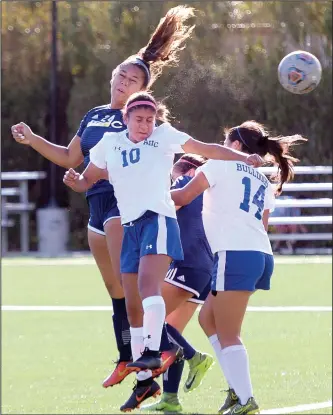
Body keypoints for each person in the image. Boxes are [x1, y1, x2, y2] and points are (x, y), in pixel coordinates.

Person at [10, 5, 197, 388]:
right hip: (95, 205)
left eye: (132, 80)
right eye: (121, 76)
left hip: (122, 205)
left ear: (143, 90)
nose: (124, 82)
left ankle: (162, 358)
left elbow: (166, 149)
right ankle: (134, 357)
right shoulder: (94, 115)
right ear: (112, 78)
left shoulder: (143, 120)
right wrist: (31, 140)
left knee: (132, 289)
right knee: (115, 290)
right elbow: (68, 156)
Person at [62, 93, 264, 411]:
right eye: (139, 119)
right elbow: (87, 179)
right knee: (132, 306)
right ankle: (146, 382)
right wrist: (75, 180)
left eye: (150, 120)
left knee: (147, 288)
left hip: (158, 220)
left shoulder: (164, 137)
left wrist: (241, 158)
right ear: (125, 118)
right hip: (130, 227)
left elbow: (206, 149)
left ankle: (155, 352)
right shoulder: (108, 144)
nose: (145, 125)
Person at [170, 120, 307, 414]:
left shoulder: (218, 165)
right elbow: (262, 225)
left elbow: (181, 198)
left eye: (223, 142)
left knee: (229, 332)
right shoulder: (261, 179)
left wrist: (142, 198)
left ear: (233, 146)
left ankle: (245, 400)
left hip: (235, 253)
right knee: (208, 319)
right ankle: (236, 391)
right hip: (259, 255)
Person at [143, 154, 214, 413]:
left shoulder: (186, 181)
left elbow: (162, 207)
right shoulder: (209, 193)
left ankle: (195, 356)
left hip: (187, 263)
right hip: (205, 269)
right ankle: (170, 399)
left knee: (147, 315)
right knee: (170, 329)